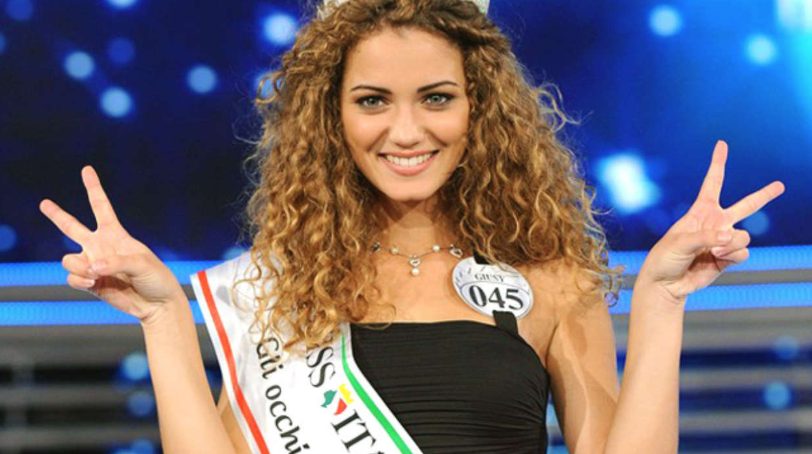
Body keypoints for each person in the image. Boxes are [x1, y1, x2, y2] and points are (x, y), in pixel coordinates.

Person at [39, 0, 786, 452]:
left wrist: (661, 300)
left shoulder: (550, 282)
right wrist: (164, 320)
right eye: (372, 100)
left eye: (436, 98)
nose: (405, 131)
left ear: (478, 109)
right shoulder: (275, 290)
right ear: (331, 118)